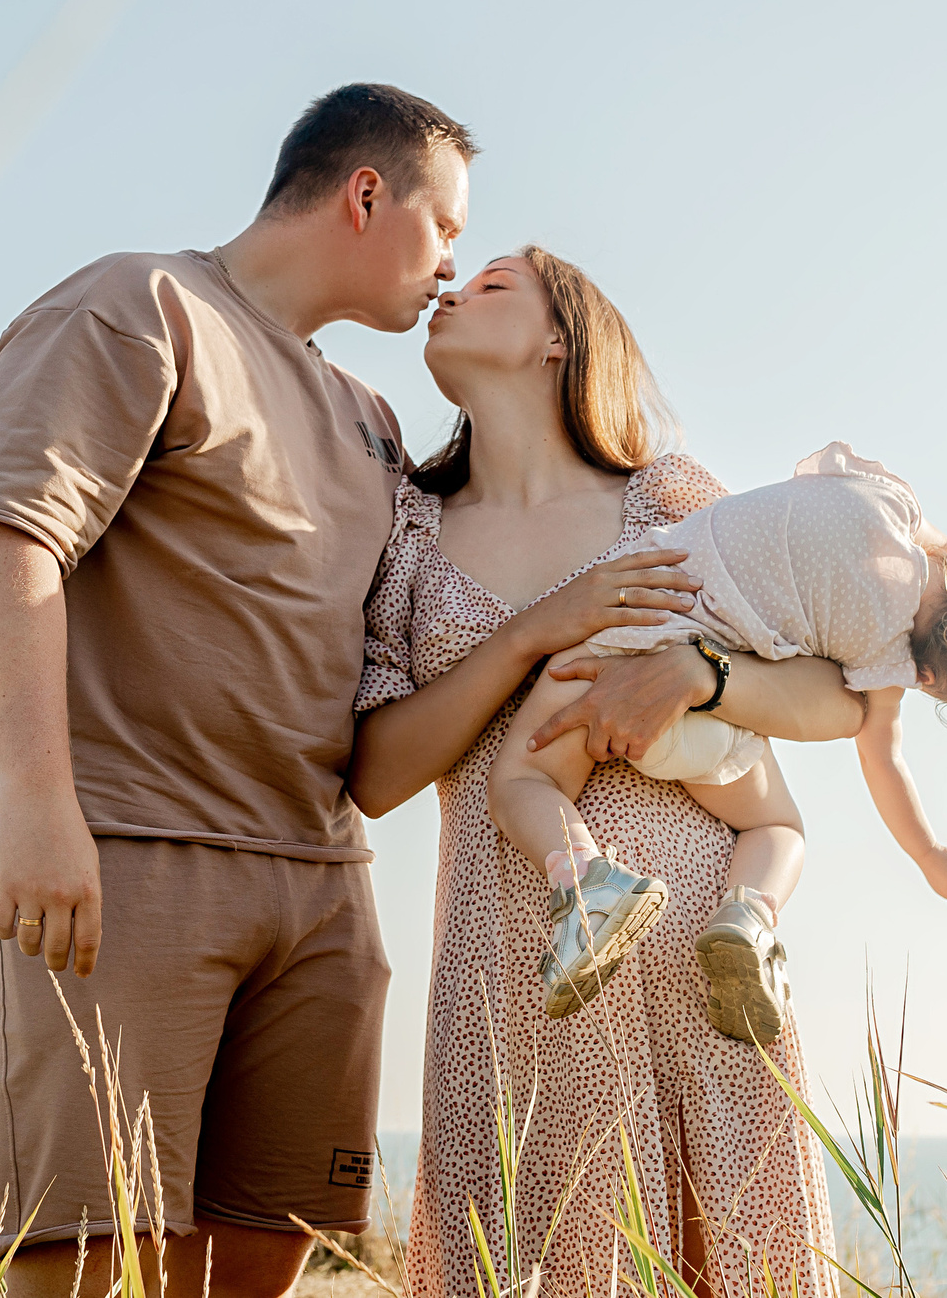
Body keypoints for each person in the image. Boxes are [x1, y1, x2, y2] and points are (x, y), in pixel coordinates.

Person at [0, 83, 471, 1298]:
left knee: (267, 1252)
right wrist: (35, 806)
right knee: (87, 1252)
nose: (451, 265)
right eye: (445, 228)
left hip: (321, 891)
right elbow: (8, 542)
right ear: (365, 193)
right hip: (123, 859)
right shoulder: (141, 306)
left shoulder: (371, 417)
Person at [349, 247, 856, 1298]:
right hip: (515, 962)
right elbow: (375, 776)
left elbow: (827, 696)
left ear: (558, 339)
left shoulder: (668, 494)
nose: (446, 288)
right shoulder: (407, 529)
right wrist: (541, 629)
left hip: (701, 947)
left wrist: (697, 676)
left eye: (489, 285)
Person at [490, 441, 947, 1036]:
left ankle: (586, 881)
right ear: (932, 677)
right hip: (710, 709)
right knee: (777, 828)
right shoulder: (889, 661)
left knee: (524, 780)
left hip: (637, 621)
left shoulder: (889, 502)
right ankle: (749, 913)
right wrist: (928, 854)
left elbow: (923, 539)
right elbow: (884, 760)